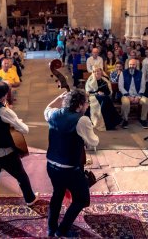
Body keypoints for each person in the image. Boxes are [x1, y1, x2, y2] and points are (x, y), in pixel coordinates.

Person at [44, 89, 99, 237]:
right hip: (69, 169)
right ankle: (62, 230)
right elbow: (94, 141)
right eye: (86, 103)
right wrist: (88, 130)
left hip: (51, 165)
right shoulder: (82, 120)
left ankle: (51, 228)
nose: (87, 105)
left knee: (57, 193)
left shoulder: (54, 113)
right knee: (82, 199)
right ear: (80, 105)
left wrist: (58, 98)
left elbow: (46, 109)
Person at [0, 81, 38, 217]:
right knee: (21, 175)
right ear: (5, 96)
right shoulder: (4, 111)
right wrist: (17, 121)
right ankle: (29, 199)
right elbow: (25, 130)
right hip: (5, 152)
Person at [86, 66, 122, 131]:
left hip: (104, 96)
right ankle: (108, 123)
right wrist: (96, 92)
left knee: (105, 99)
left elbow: (109, 91)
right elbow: (88, 91)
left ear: (101, 71)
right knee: (105, 100)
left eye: (98, 71)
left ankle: (110, 123)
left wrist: (103, 93)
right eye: (94, 71)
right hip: (93, 97)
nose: (96, 72)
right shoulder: (90, 79)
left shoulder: (105, 79)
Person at [118, 59, 148, 129]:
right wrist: (128, 96)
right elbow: (120, 87)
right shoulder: (123, 73)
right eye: (130, 64)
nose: (132, 66)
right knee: (126, 103)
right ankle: (125, 119)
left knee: (146, 101)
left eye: (133, 64)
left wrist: (138, 97)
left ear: (136, 65)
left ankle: (143, 119)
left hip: (138, 95)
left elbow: (143, 87)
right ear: (128, 65)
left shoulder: (140, 73)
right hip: (126, 95)